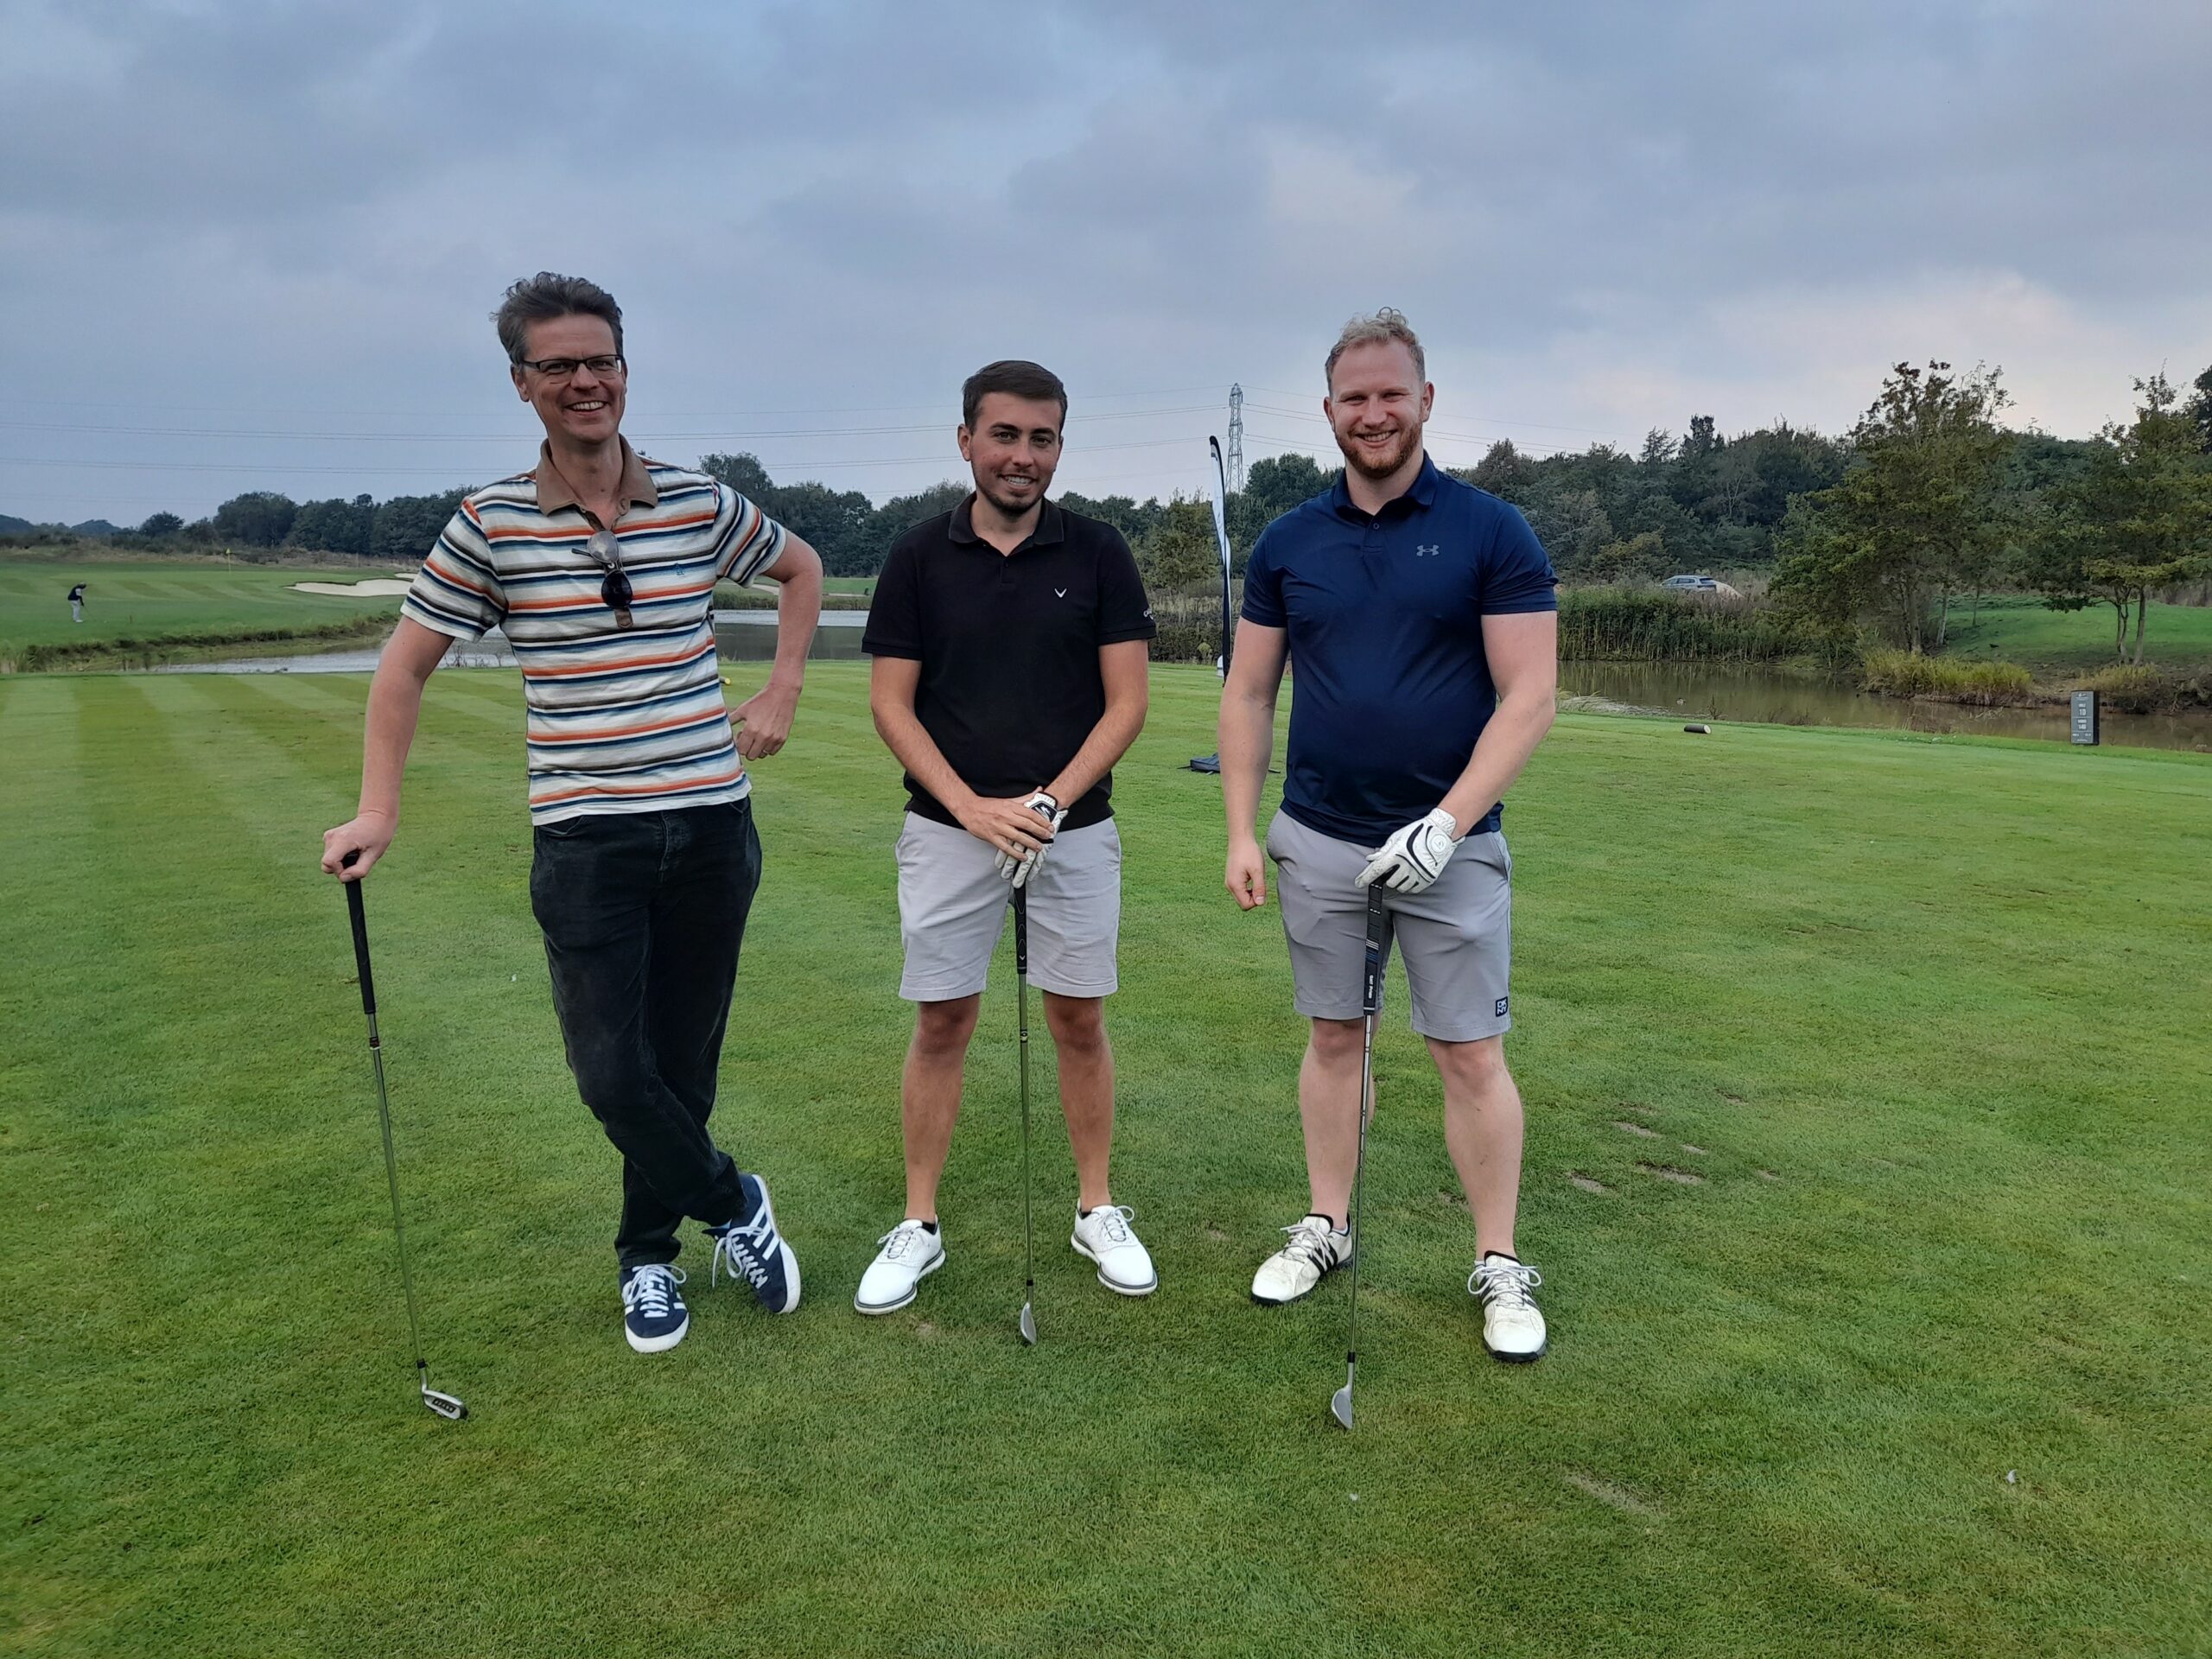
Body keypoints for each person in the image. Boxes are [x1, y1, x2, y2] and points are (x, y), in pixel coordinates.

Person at [320, 272, 823, 1355]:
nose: (585, 381)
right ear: (522, 384)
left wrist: (781, 689)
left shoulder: (693, 499)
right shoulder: (490, 522)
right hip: (587, 834)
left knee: (683, 1062)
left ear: (625, 373)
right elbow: (405, 670)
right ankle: (735, 1203)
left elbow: (802, 569)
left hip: (711, 827)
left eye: (600, 361)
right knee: (609, 1070)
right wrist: (377, 808)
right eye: (559, 366)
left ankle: (649, 1262)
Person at [1219, 308, 1559, 1363]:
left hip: (1450, 847)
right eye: (1353, 398)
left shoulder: (1490, 529)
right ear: (1328, 412)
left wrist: (1447, 824)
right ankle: (1327, 1224)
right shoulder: (1289, 540)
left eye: (1390, 394)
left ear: (1425, 401)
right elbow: (1247, 692)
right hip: (1319, 838)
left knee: (1467, 1052)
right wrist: (1241, 826)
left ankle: (1498, 1260)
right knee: (1333, 1037)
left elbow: (1530, 696)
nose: (1373, 413)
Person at [853, 359, 1158, 1315]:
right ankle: (918, 1223)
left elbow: (1126, 705)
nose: (1023, 457)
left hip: (1073, 826)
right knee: (943, 1019)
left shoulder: (1099, 551)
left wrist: (1050, 803)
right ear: (966, 441)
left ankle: (1095, 1207)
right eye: (1005, 436)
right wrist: (972, 807)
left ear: (1059, 445)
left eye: (1042, 439)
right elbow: (892, 708)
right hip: (948, 828)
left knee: (1078, 1019)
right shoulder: (915, 556)